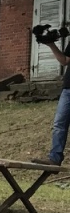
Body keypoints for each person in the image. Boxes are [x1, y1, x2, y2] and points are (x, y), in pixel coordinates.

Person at [31, 34, 70, 166]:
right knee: (59, 124)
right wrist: (50, 44)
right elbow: (65, 60)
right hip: (68, 89)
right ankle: (54, 159)